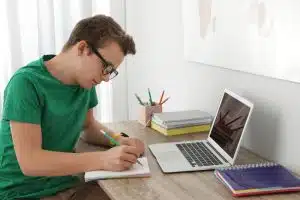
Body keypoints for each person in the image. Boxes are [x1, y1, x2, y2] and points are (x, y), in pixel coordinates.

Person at [0, 14, 145, 200]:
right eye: (106, 67)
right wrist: (102, 159)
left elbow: (88, 127)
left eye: (111, 72)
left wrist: (119, 139)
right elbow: (30, 162)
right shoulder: (25, 83)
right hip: (23, 192)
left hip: (67, 184)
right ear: (83, 48)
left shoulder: (84, 82)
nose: (106, 77)